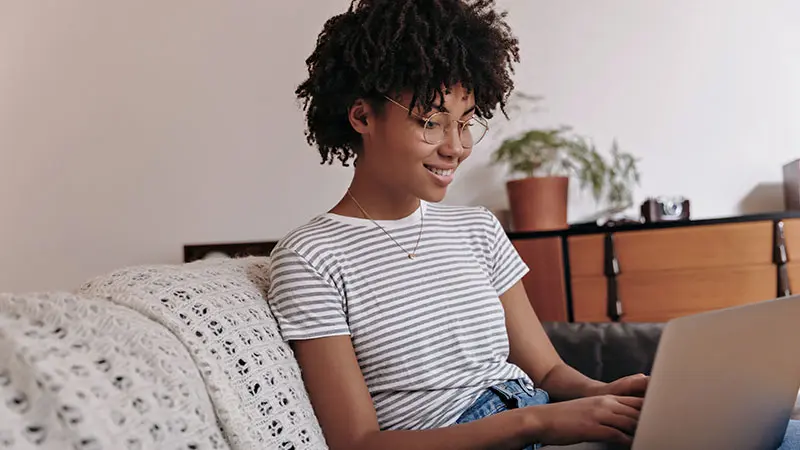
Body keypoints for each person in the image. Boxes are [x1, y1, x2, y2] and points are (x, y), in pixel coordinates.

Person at [267, 1, 800, 449]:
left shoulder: (476, 229)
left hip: (541, 426)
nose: (455, 147)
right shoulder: (311, 257)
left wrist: (606, 394)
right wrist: (538, 421)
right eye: (431, 123)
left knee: (775, 432)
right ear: (361, 117)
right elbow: (358, 443)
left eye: (466, 122)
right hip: (494, 437)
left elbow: (547, 374)